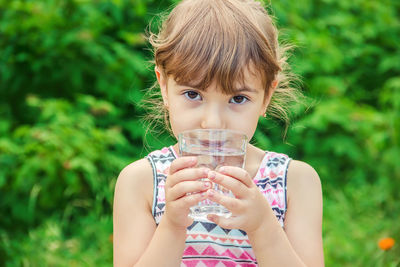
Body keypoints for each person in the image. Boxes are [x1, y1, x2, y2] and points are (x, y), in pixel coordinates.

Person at [113, 0, 324, 266]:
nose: (213, 123)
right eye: (193, 94)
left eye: (237, 98)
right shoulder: (141, 182)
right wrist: (172, 226)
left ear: (266, 96)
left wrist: (263, 227)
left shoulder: (295, 182)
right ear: (164, 86)